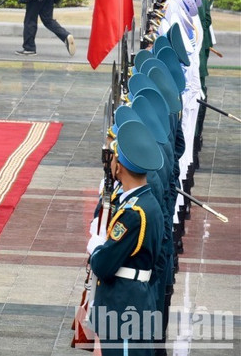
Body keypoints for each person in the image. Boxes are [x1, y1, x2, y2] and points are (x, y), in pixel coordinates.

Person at [87, 119, 165, 355]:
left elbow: (103, 265)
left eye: (113, 158)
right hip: (132, 300)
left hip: (123, 306)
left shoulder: (133, 214)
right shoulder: (142, 202)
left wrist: (97, 247)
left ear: (119, 166)